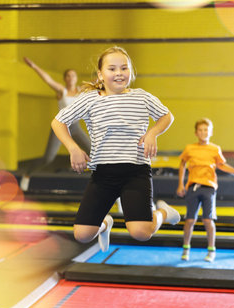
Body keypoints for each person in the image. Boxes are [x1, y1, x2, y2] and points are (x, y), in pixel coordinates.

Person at [51, 46, 180, 252]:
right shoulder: (90, 98)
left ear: (131, 72)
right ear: (101, 74)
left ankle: (163, 212)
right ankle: (105, 224)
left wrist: (152, 133)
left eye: (124, 68)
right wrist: (73, 147)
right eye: (112, 69)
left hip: (135, 172)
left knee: (141, 233)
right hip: (103, 174)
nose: (119, 73)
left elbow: (167, 116)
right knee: (82, 235)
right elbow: (58, 123)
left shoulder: (141, 97)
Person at [176, 118, 234, 262]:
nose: (203, 133)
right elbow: (182, 164)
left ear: (210, 132)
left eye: (206, 130)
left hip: (209, 187)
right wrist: (180, 184)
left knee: (208, 220)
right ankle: (186, 248)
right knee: (190, 220)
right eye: (200, 130)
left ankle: (211, 250)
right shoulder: (190, 148)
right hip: (193, 186)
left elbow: (222, 165)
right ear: (196, 133)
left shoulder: (215, 149)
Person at [20, 57, 91, 191]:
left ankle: (102, 184)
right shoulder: (61, 91)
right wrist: (34, 66)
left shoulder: (81, 90)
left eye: (73, 76)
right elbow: (48, 80)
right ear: (65, 79)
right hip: (61, 127)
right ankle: (27, 174)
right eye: (68, 76)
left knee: (93, 152)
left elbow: (96, 81)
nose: (71, 78)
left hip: (75, 127)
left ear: (76, 78)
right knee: (48, 158)